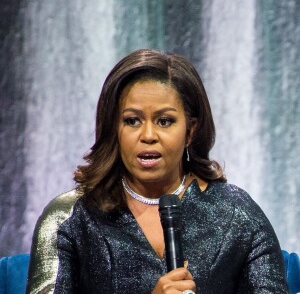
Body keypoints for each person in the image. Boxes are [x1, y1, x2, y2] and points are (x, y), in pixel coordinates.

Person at [26, 49, 288, 293]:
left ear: (191, 130)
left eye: (165, 121)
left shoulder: (236, 214)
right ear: (114, 129)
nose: (148, 135)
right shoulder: (68, 217)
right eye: (132, 121)